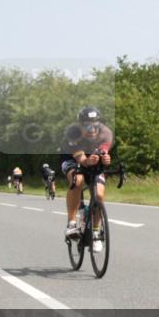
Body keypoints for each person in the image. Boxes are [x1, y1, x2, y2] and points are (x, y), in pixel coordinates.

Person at [60, 106, 114, 253]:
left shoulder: (106, 133)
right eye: (87, 126)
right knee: (77, 180)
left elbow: (103, 152)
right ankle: (71, 224)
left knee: (99, 195)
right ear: (80, 125)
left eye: (96, 125)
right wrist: (88, 161)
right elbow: (82, 160)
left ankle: (96, 233)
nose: (92, 129)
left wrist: (105, 159)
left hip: (92, 158)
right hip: (71, 158)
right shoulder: (73, 133)